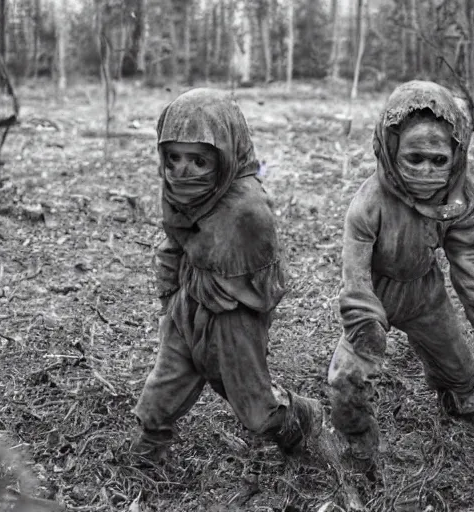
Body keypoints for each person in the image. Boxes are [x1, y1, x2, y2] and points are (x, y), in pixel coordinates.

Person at [130, 88, 332, 461]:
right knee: (163, 386)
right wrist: (169, 301)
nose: (182, 171)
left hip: (234, 314)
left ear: (224, 158)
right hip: (188, 301)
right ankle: (149, 451)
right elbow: (174, 244)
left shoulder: (248, 211)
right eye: (173, 158)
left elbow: (267, 287)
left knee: (256, 410)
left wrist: (232, 312)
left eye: (198, 161)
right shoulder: (177, 192)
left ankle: (300, 418)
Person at [327, 80, 474, 470]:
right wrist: (363, 318)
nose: (427, 170)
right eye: (414, 158)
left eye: (439, 160)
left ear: (456, 156)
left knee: (458, 363)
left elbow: (465, 254)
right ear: (391, 152)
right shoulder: (370, 202)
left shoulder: (458, 198)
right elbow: (353, 272)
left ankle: (459, 398)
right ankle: (356, 439)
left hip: (425, 292)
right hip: (377, 292)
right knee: (346, 379)